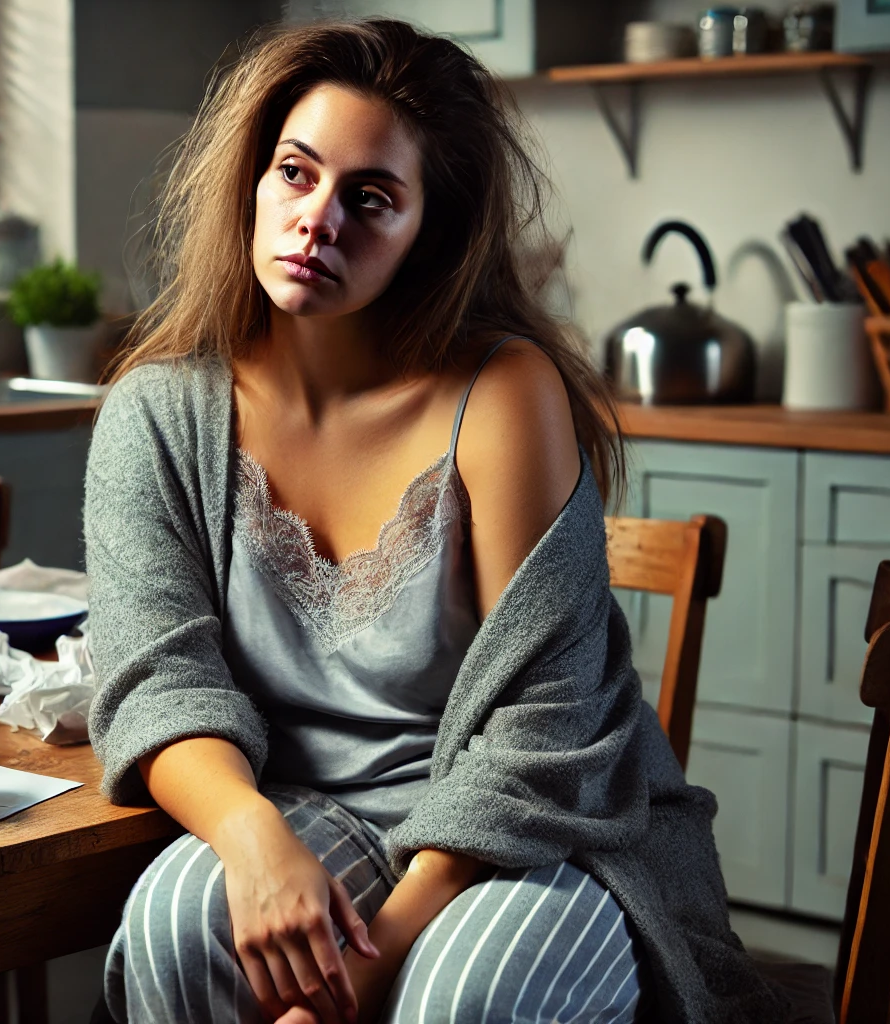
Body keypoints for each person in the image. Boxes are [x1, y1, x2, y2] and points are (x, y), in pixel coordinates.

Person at [85, 18, 790, 1024]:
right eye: (295, 172)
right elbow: (160, 680)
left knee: (463, 992)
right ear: (251, 177)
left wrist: (359, 978)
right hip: (305, 812)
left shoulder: (501, 393)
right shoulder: (155, 412)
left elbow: (547, 729)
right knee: (171, 919)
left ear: (430, 231)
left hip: (533, 831)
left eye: (370, 199)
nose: (317, 219)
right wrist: (252, 839)